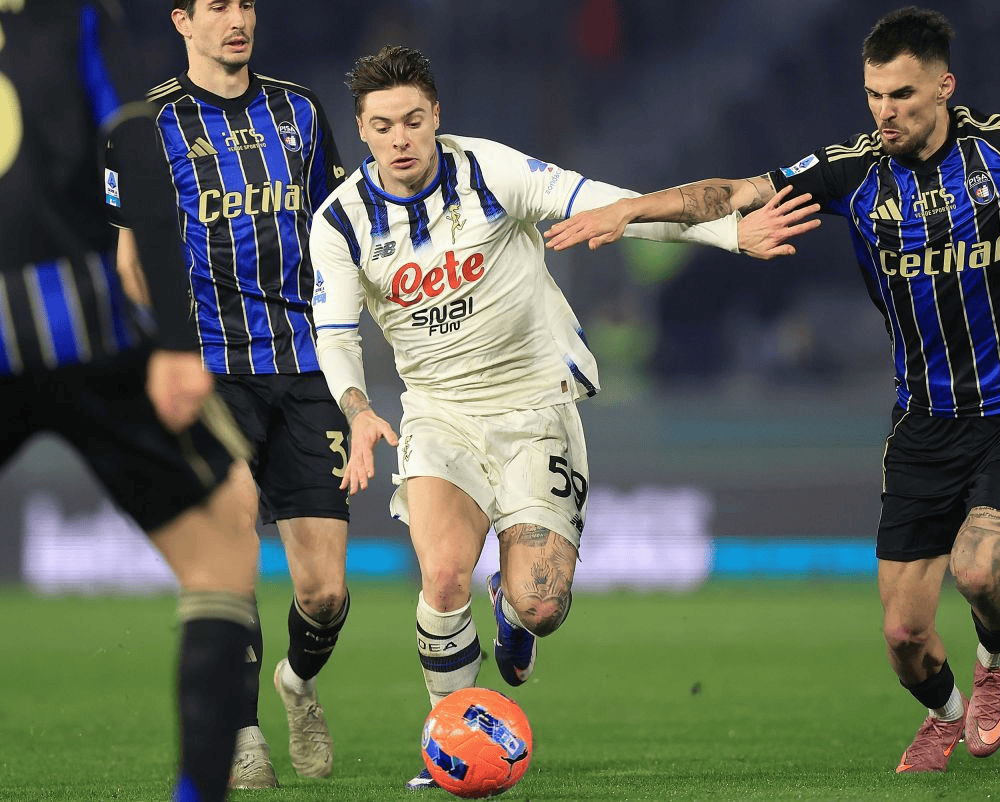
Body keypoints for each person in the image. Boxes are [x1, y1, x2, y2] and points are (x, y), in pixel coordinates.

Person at [544, 6, 1000, 774]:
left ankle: (996, 660)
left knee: (977, 568)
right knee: (904, 639)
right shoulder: (852, 170)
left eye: (903, 94)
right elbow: (737, 192)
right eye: (875, 94)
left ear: (944, 87)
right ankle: (944, 716)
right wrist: (631, 208)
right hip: (924, 425)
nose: (886, 111)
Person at [307, 45, 816, 790]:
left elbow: (615, 208)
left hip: (535, 403)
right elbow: (336, 333)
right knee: (441, 575)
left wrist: (727, 234)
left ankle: (512, 613)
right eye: (382, 127)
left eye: (413, 120)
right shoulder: (340, 222)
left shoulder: (489, 171)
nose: (400, 139)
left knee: (542, 604)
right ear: (361, 130)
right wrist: (356, 408)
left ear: (436, 115)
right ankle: (449, 749)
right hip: (440, 415)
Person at [1, 2, 259, 800]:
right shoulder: (70, 14)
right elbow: (135, 147)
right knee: (223, 538)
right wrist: (179, 340)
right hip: (81, 327)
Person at [111, 0, 352, 787]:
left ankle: (297, 682)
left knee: (324, 592)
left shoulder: (300, 112)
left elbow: (339, 231)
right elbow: (130, 261)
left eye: (245, 3)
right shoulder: (147, 125)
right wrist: (168, 351)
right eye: (217, 5)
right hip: (211, 373)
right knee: (233, 554)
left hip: (305, 368)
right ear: (182, 21)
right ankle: (245, 733)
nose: (237, 18)